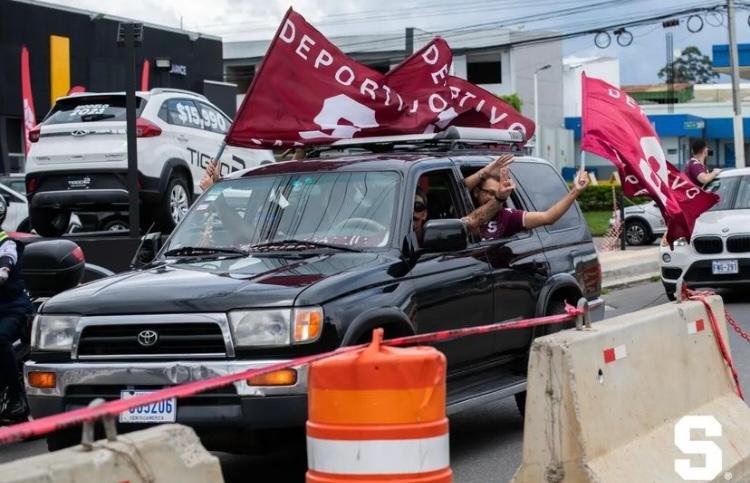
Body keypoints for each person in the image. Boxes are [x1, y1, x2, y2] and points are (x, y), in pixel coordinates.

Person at [461, 155, 590, 240]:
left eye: (496, 193)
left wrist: (575, 191)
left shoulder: (507, 217)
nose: (492, 197)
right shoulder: (459, 204)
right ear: (476, 192)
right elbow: (462, 187)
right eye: (488, 192)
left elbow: (548, 217)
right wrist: (484, 173)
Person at [0, 198, 32, 424]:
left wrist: (3, 270)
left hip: (12, 309)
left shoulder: (5, 241)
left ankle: (15, 394)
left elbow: (7, 258)